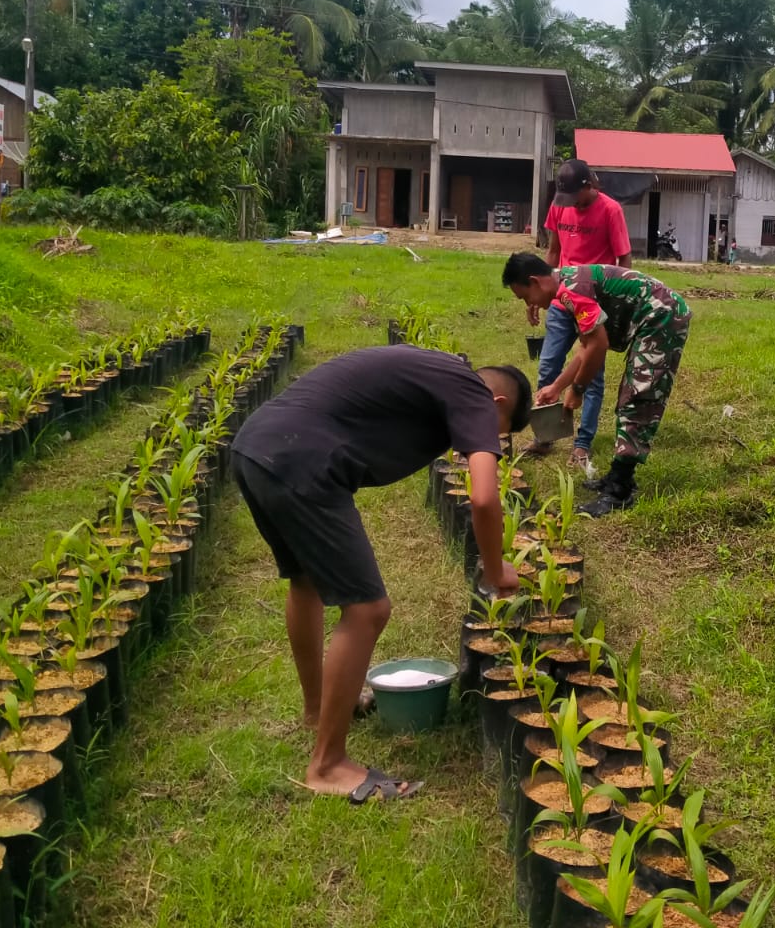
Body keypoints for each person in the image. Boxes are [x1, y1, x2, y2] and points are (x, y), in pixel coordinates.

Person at [230, 345, 530, 802]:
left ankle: (320, 711)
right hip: (303, 461)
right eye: (495, 434)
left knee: (305, 580)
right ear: (498, 406)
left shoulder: (436, 370)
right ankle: (327, 765)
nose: (479, 442)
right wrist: (495, 571)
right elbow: (485, 498)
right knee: (368, 609)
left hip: (257, 446)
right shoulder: (473, 392)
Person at [503, 252, 690, 516]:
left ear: (535, 281)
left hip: (662, 317)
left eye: (525, 297)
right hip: (654, 316)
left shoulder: (571, 291)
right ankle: (617, 475)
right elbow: (586, 348)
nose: (531, 304)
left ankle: (620, 490)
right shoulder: (567, 287)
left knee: (638, 396)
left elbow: (598, 346)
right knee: (631, 395)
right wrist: (557, 387)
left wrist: (577, 390)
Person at [529, 158, 632, 471]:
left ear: (590, 185)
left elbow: (624, 259)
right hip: (561, 298)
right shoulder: (560, 205)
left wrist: (616, 303)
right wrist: (538, 290)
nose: (571, 202)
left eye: (576, 195)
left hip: (594, 302)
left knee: (592, 376)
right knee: (548, 366)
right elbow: (553, 251)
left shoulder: (611, 210)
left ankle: (582, 444)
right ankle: (545, 437)